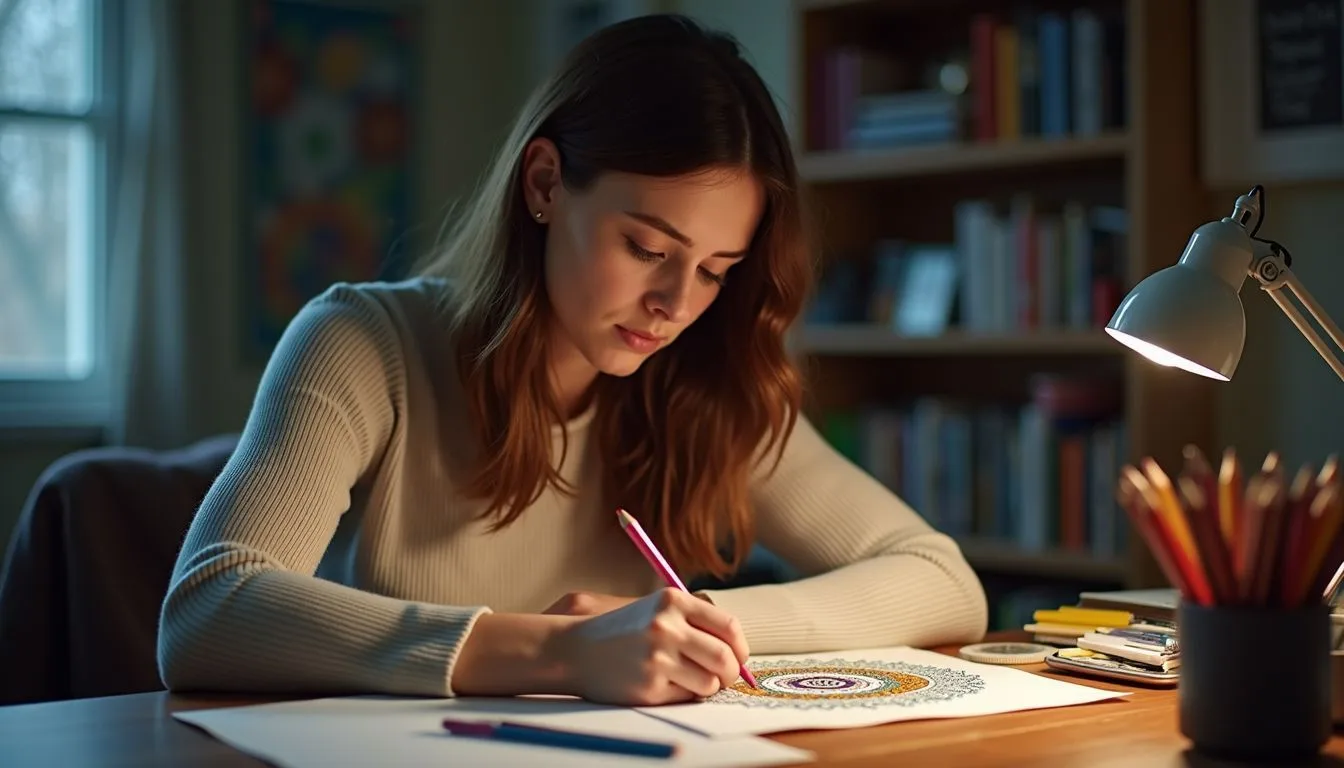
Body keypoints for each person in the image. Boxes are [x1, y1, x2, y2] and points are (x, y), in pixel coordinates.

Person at [158, 14, 987, 707]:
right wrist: (561, 653)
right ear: (547, 185)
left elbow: (944, 581)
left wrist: (679, 625)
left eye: (714, 272)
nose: (676, 305)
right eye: (646, 246)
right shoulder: (362, 343)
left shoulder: (704, 381)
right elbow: (207, 614)